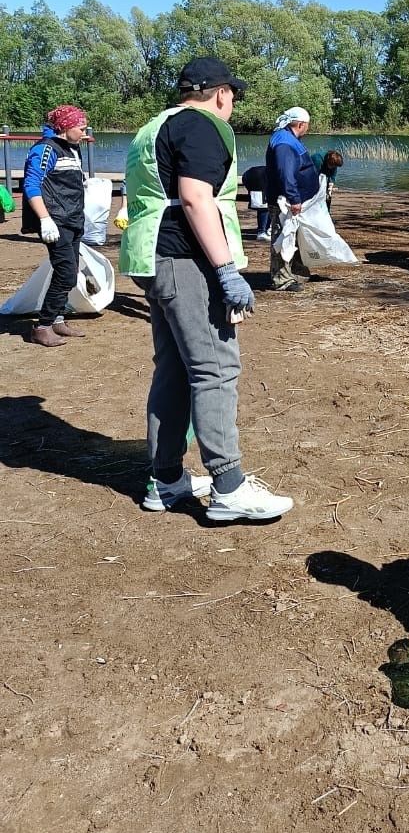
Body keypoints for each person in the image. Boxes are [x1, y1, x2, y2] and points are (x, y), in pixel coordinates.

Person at [119, 56, 292, 521]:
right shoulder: (201, 126)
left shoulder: (155, 125)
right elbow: (196, 197)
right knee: (216, 368)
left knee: (175, 368)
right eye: (232, 94)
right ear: (221, 93)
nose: (232, 102)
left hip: (152, 258)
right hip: (185, 260)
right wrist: (226, 270)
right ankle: (229, 486)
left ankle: (166, 479)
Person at [21, 105, 91, 346]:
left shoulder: (73, 149)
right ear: (65, 126)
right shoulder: (44, 150)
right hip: (55, 221)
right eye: (81, 128)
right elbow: (31, 185)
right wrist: (44, 218)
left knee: (70, 271)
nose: (84, 132)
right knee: (66, 274)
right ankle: (42, 327)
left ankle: (58, 319)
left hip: (73, 218)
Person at [266, 107, 320, 291]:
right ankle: (281, 279)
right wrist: (294, 198)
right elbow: (285, 173)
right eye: (307, 126)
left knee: (294, 236)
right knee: (283, 237)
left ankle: (295, 271)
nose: (307, 129)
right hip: (285, 201)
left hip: (292, 199)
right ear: (301, 124)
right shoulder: (284, 142)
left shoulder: (289, 139)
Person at [241, 164, 271, 240]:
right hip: (257, 179)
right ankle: (262, 232)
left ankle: (266, 230)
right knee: (263, 207)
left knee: (266, 205)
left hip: (252, 177)